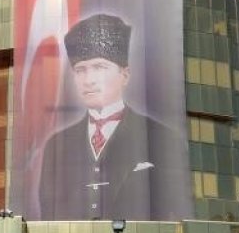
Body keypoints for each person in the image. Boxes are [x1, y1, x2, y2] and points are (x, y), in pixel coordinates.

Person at [38, 13, 190, 221]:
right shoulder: (56, 146)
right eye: (80, 70)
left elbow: (178, 215)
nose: (89, 80)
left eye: (99, 67)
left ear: (124, 75)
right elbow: (48, 218)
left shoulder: (163, 138)